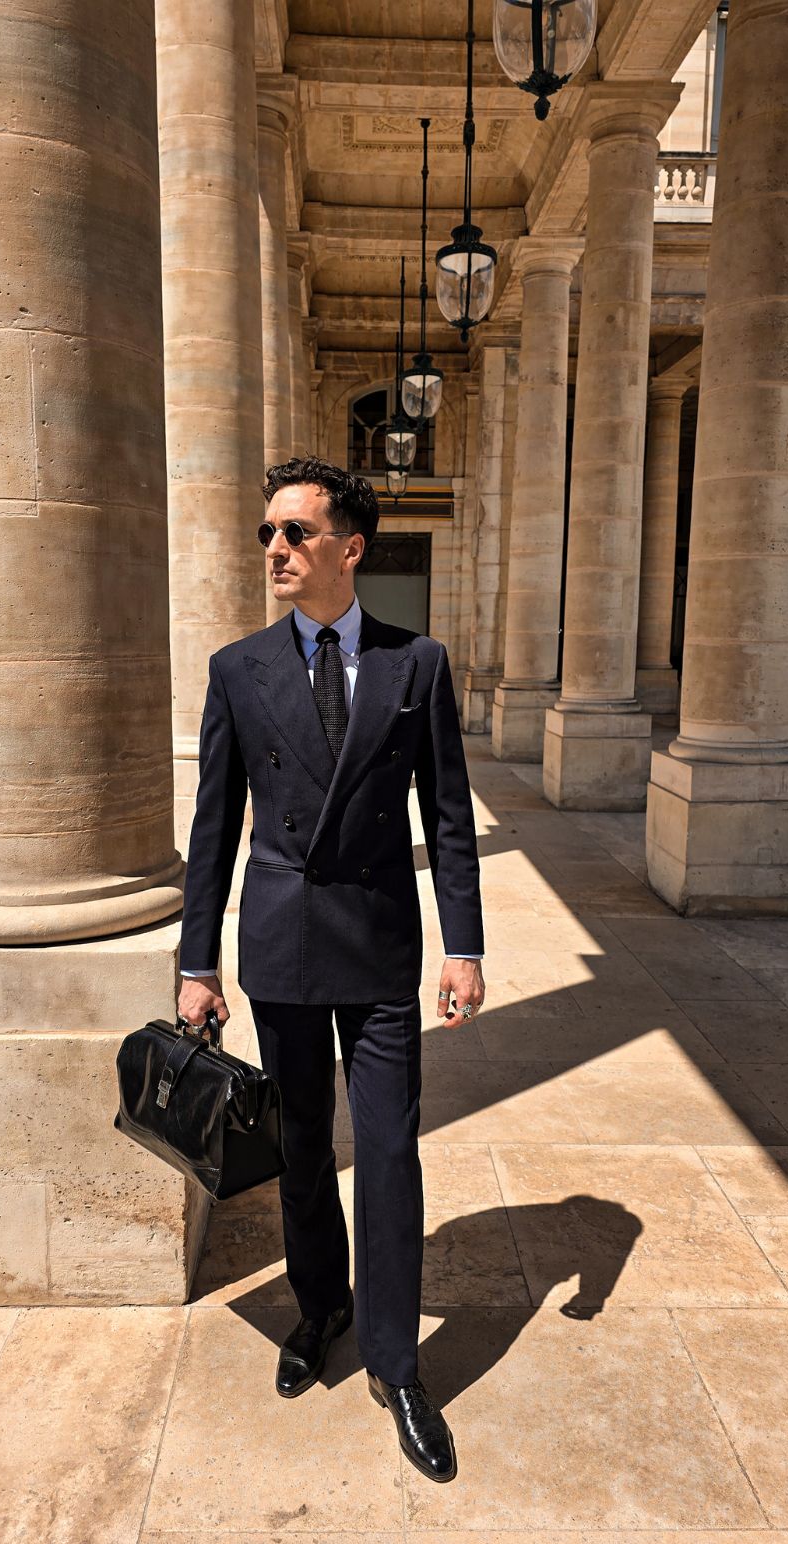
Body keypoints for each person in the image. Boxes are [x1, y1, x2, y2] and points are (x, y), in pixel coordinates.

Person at [177, 456, 485, 1483]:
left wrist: (465, 945)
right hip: (283, 942)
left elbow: (448, 816)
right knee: (303, 1145)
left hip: (381, 944)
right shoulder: (237, 668)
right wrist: (196, 961)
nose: (274, 547)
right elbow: (213, 827)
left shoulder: (417, 663)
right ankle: (320, 1309)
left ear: (350, 548)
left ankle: (397, 1363)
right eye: (267, 531)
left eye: (295, 532)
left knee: (390, 1150)